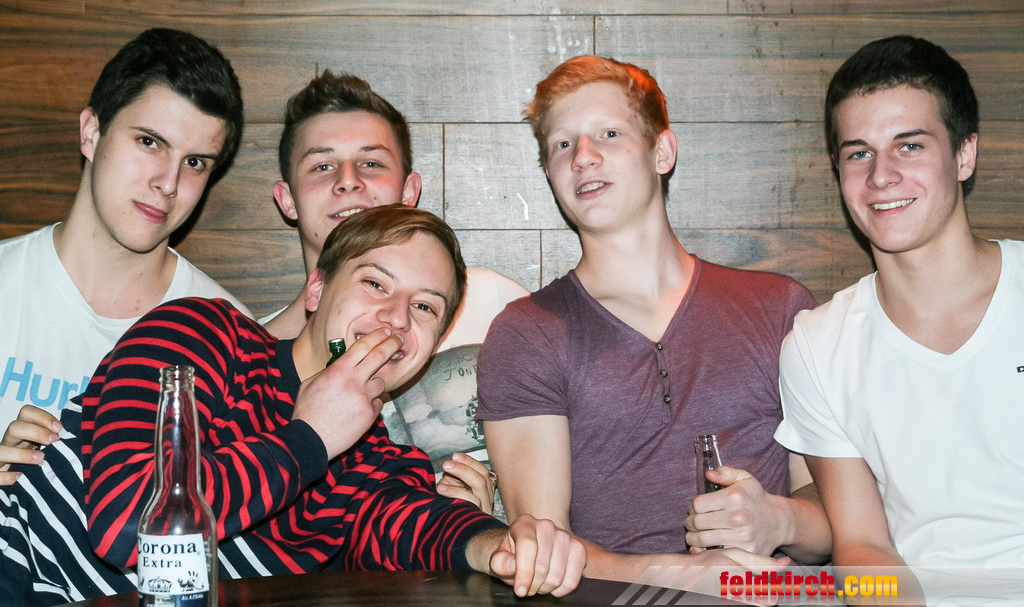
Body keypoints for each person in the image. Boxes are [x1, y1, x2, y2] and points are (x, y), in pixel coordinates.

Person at [0, 205, 585, 606]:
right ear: (316, 289)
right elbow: (131, 525)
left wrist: (497, 545)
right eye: (375, 283)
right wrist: (311, 437)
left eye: (425, 307)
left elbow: (410, 523)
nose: (395, 318)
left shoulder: (379, 464)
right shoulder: (204, 333)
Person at [475, 55, 832, 583]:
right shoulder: (527, 332)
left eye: (609, 133)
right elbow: (544, 552)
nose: (583, 157)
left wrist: (779, 520)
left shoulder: (778, 307)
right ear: (550, 173)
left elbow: (840, 522)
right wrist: (682, 575)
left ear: (661, 152)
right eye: (562, 145)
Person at [774, 36, 1024, 600]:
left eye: (909, 146)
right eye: (858, 153)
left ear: (964, 155)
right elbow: (863, 544)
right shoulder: (817, 345)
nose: (881, 176)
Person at [263, 70, 526, 511]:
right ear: (287, 199)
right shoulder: (250, 358)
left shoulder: (495, 306)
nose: (348, 181)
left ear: (408, 192)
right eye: (322, 166)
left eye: (371, 163)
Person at [0, 28, 250, 457]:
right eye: (150, 142)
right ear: (91, 132)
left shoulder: (229, 338)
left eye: (194, 162)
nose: (168, 183)